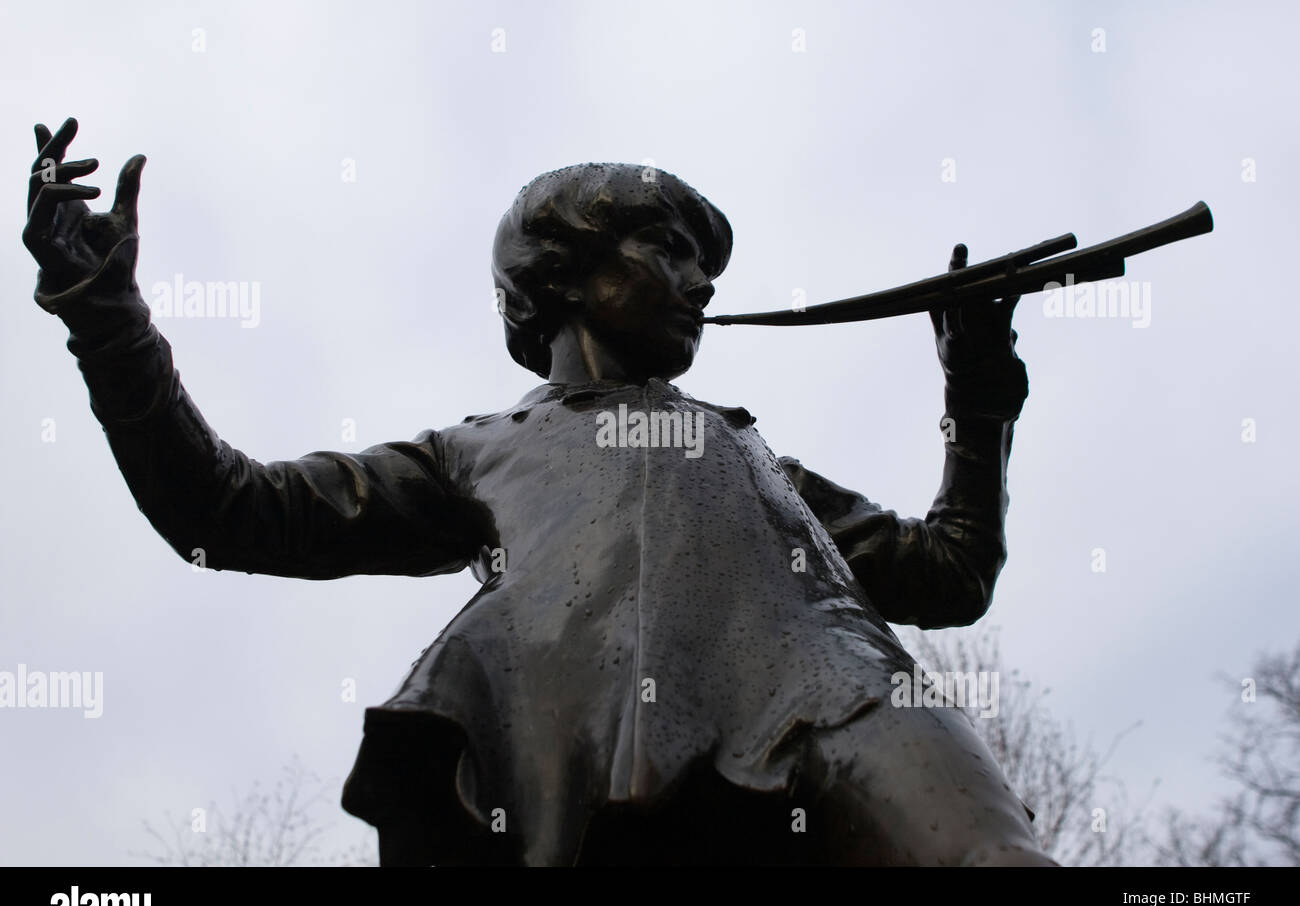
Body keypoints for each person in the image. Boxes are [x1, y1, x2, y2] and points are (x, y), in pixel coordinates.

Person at [24, 118, 1054, 865]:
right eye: (667, 253)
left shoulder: (757, 466)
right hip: (585, 753)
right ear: (562, 274)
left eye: (704, 269)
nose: (699, 285)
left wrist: (975, 387)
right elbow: (225, 508)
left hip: (838, 695)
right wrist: (106, 319)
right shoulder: (479, 454)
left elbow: (953, 571)